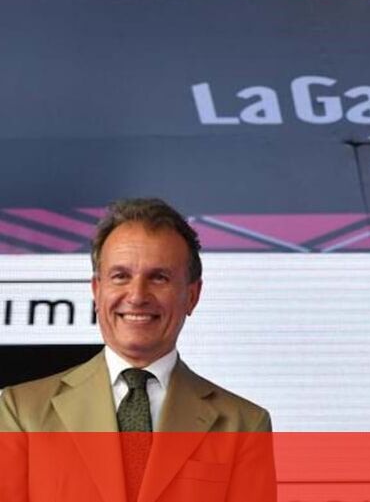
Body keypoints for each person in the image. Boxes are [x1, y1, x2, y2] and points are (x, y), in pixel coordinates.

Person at [0, 198, 275, 502]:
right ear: (97, 290)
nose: (137, 296)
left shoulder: (244, 424)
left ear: (192, 296)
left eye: (159, 277)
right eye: (121, 276)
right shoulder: (21, 411)